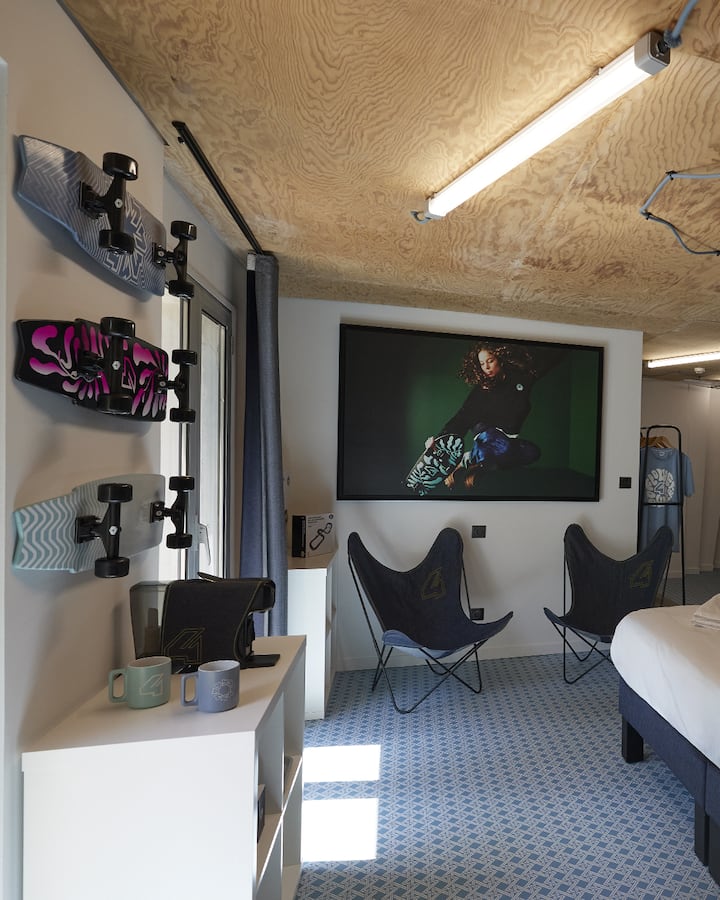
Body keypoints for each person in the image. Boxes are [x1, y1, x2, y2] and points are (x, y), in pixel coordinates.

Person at [427, 341, 543, 490]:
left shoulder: (521, 379)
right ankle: (479, 458)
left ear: (500, 359)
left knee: (532, 452)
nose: (486, 367)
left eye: (490, 361)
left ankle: (471, 459)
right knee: (500, 444)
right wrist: (439, 440)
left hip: (507, 437)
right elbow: (462, 418)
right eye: (482, 363)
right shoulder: (481, 390)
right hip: (486, 433)